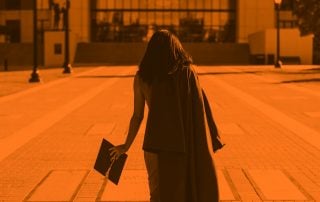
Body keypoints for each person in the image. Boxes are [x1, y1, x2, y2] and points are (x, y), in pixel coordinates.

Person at [110, 30, 224, 202]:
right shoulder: (187, 74)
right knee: (181, 192)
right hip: (183, 143)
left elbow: (137, 116)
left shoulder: (142, 77)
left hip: (154, 143)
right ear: (176, 49)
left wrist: (126, 146)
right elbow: (198, 110)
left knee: (157, 195)